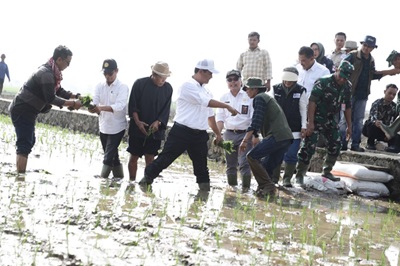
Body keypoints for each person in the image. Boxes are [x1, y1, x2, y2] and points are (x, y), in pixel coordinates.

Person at [138, 59, 239, 191]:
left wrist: (218, 134)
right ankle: (145, 182)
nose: (211, 76)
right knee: (165, 159)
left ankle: (204, 193)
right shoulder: (187, 86)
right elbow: (205, 102)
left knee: (202, 167)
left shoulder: (207, 91)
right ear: (201, 71)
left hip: (199, 135)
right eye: (210, 73)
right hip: (181, 132)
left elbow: (210, 116)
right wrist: (226, 106)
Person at [8, 45, 82, 173]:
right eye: (67, 62)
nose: (68, 66)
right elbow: (51, 98)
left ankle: (19, 172)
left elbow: (58, 90)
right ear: (59, 59)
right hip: (22, 110)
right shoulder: (46, 73)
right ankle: (20, 177)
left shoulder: (52, 73)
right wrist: (72, 103)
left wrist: (75, 96)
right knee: (25, 144)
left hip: (28, 111)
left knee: (29, 141)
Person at [294, 60, 354, 186]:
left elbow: (347, 106)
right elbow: (312, 102)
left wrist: (349, 125)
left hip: (330, 119)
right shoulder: (323, 82)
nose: (342, 80)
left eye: (345, 78)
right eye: (341, 76)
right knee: (308, 147)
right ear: (337, 70)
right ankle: (300, 174)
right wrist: (310, 123)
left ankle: (327, 171)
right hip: (316, 118)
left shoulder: (347, 86)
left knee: (336, 144)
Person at [341, 35, 400, 152]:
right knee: (344, 120)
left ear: (373, 48)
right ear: (362, 44)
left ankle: (355, 144)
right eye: (365, 45)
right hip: (349, 93)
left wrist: (389, 72)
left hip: (363, 94)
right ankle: (342, 143)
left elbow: (373, 75)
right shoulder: (352, 56)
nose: (367, 48)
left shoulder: (371, 60)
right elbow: (341, 70)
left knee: (358, 120)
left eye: (369, 46)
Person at [239, 78, 293, 197]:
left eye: (248, 88)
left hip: (276, 136)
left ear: (255, 89)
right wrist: (256, 135)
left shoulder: (259, 98)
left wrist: (245, 140)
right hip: (286, 138)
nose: (246, 91)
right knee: (266, 167)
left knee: (251, 156)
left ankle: (268, 186)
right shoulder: (266, 98)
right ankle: (267, 191)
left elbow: (256, 121)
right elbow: (260, 119)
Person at [127, 61, 173, 181]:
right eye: (161, 78)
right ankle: (131, 181)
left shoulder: (168, 89)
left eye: (165, 78)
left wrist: (158, 122)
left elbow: (165, 110)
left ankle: (146, 182)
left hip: (155, 130)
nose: (163, 81)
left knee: (150, 158)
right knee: (133, 157)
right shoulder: (139, 84)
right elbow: (133, 106)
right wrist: (138, 122)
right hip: (138, 127)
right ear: (153, 74)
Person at [88, 59, 129, 179]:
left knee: (107, 156)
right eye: (105, 73)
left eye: (110, 73)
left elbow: (119, 106)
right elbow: (94, 101)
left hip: (117, 127)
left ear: (116, 71)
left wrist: (100, 108)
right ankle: (119, 179)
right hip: (104, 126)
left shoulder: (122, 87)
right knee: (113, 157)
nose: (107, 76)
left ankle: (102, 180)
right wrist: (92, 107)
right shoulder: (99, 86)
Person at [216, 70, 254, 189]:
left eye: (235, 79)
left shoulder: (248, 96)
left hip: (245, 134)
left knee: (244, 163)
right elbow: (220, 118)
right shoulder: (223, 97)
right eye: (230, 80)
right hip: (229, 134)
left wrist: (251, 136)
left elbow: (253, 118)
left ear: (240, 80)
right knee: (230, 164)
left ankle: (246, 190)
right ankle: (232, 189)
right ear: (227, 82)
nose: (233, 82)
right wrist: (218, 134)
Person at [270, 67, 307, 187]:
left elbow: (303, 110)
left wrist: (303, 126)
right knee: (276, 154)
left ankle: (287, 179)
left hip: (295, 129)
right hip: (279, 129)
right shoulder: (275, 89)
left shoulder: (301, 90)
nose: (287, 83)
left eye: (290, 81)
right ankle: (274, 178)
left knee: (291, 154)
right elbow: (271, 108)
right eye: (285, 80)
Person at [363, 84, 399, 152]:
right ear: (385, 92)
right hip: (375, 129)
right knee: (371, 124)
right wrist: (386, 131)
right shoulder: (377, 103)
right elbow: (374, 119)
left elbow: (395, 123)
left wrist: (390, 133)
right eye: (390, 93)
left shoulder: (395, 107)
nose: (391, 96)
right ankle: (370, 144)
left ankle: (392, 148)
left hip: (386, 131)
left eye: (394, 94)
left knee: (397, 136)